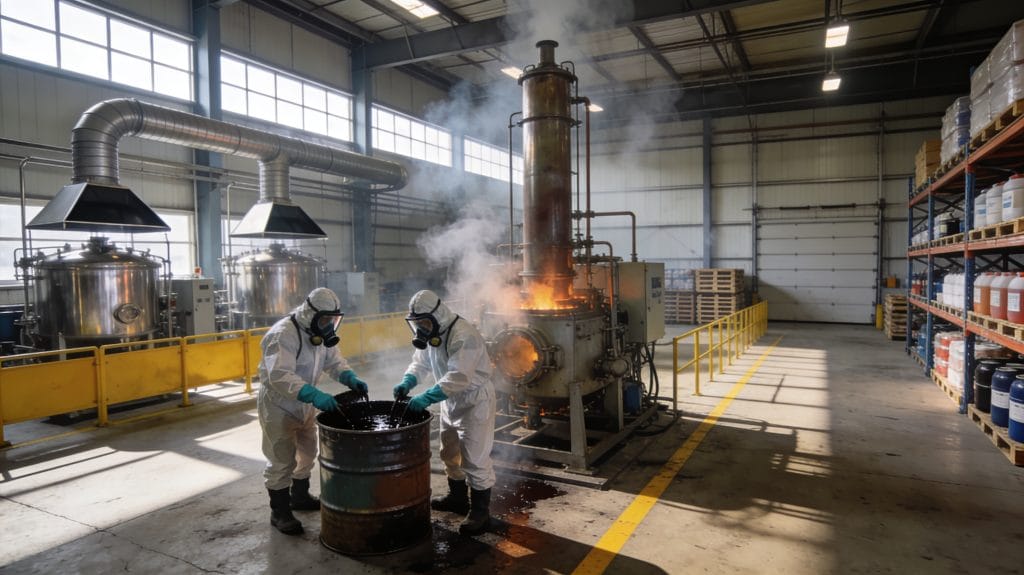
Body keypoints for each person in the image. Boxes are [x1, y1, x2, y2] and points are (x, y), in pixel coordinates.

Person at [257, 287, 369, 535]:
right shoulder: (283, 335)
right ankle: (280, 512)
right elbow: (279, 375)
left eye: (333, 320)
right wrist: (314, 395)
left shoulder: (319, 335)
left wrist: (349, 377)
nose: (329, 325)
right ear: (311, 314)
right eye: (325, 319)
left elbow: (334, 363)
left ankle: (300, 496)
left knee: (307, 452)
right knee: (281, 458)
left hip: (305, 403)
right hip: (278, 405)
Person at [393, 290, 497, 535]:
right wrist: (409, 380)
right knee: (449, 453)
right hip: (449, 400)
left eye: (425, 322)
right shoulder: (432, 333)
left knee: (474, 458)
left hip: (474, 402)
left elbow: (458, 377)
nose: (421, 328)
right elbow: (420, 362)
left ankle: (480, 513)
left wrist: (426, 397)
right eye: (417, 323)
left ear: (437, 315)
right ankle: (457, 498)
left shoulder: (464, 335)